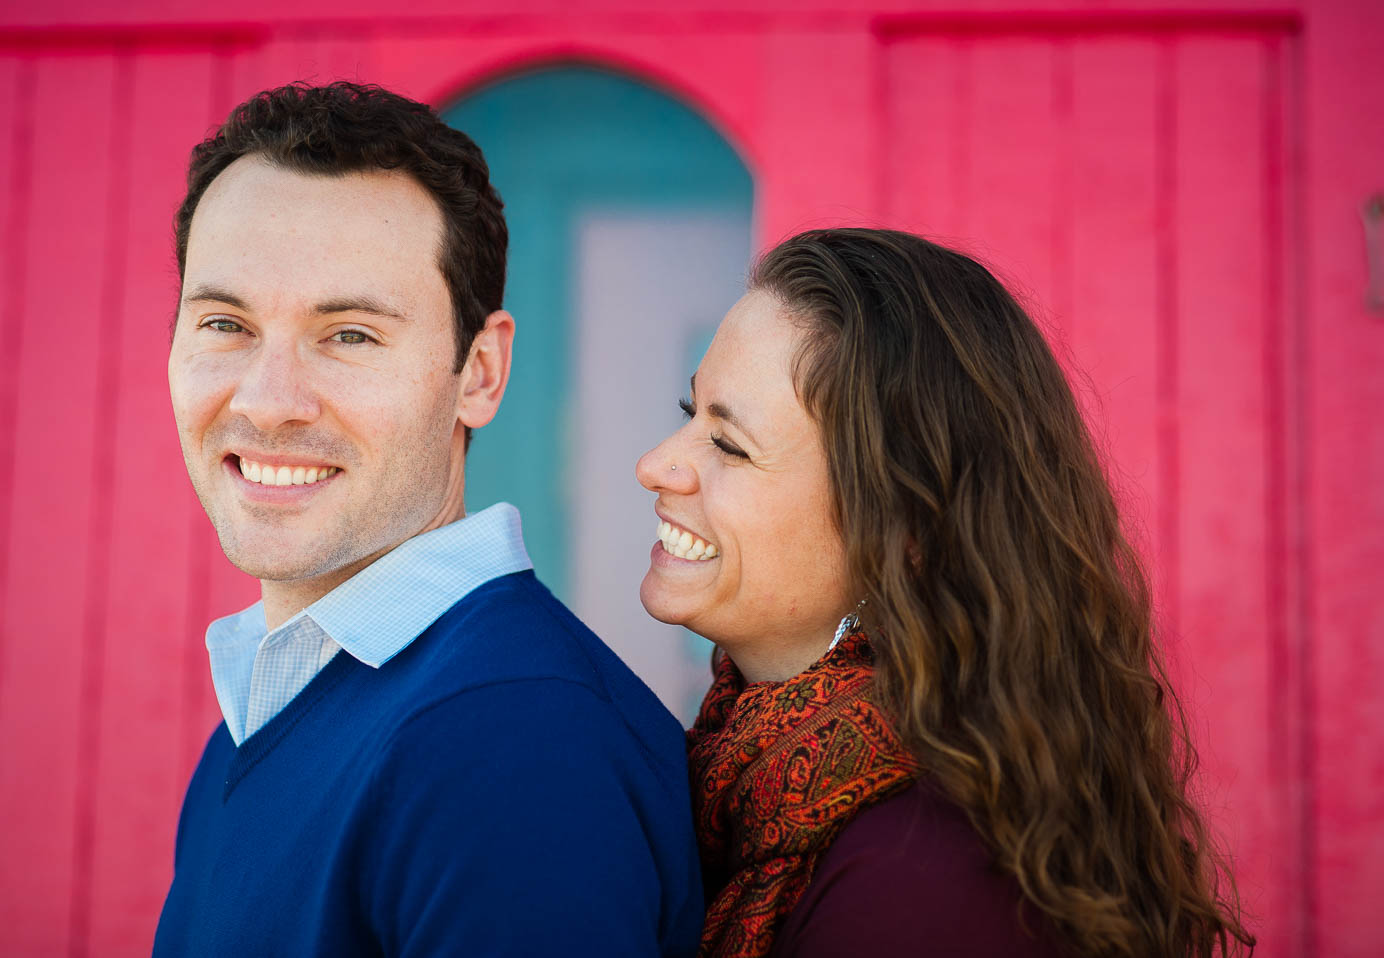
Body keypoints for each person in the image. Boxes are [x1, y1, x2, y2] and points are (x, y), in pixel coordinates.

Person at [154, 81, 702, 957]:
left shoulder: (513, 746)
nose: (268, 401)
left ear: (479, 373)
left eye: (351, 335)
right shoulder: (272, 706)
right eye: (226, 323)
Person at [636, 228, 1255, 957]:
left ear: (903, 529)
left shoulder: (914, 887)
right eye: (689, 414)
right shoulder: (747, 781)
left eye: (731, 445)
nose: (656, 465)